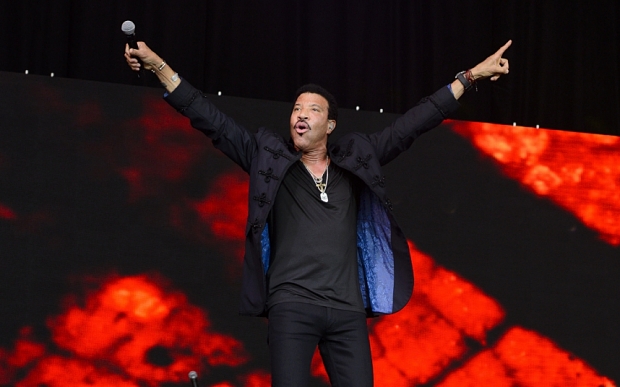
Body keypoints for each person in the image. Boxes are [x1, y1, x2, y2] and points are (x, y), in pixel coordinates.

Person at [125, 39, 511, 387]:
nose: (300, 114)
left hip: (347, 313)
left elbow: (412, 124)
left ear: (329, 125)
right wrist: (159, 66)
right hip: (292, 306)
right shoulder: (269, 158)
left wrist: (470, 77)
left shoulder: (355, 160)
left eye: (312, 109)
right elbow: (210, 119)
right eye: (296, 108)